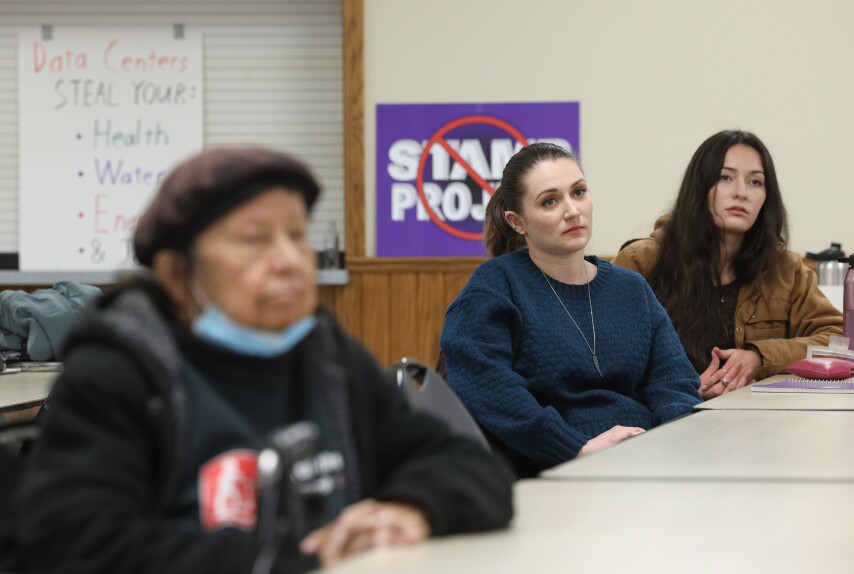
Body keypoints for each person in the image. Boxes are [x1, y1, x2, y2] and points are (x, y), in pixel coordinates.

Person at [15, 147, 513, 573]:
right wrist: (298, 557)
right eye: (255, 240)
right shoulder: (119, 370)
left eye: (297, 236)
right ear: (174, 273)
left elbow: (467, 464)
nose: (290, 260)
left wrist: (412, 508)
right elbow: (71, 549)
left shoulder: (326, 355)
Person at [440, 142, 702, 479]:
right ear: (517, 221)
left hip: (646, 464)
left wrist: (670, 446)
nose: (572, 210)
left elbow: (674, 384)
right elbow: (487, 387)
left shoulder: (630, 289)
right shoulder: (495, 285)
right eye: (550, 201)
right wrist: (575, 448)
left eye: (578, 192)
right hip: (552, 470)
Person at [612, 130, 843, 398]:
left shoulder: (785, 270)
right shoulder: (642, 261)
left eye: (756, 182)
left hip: (757, 424)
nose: (741, 193)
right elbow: (605, 361)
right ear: (699, 187)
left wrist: (759, 357)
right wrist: (680, 390)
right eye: (725, 178)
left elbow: (836, 341)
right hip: (661, 424)